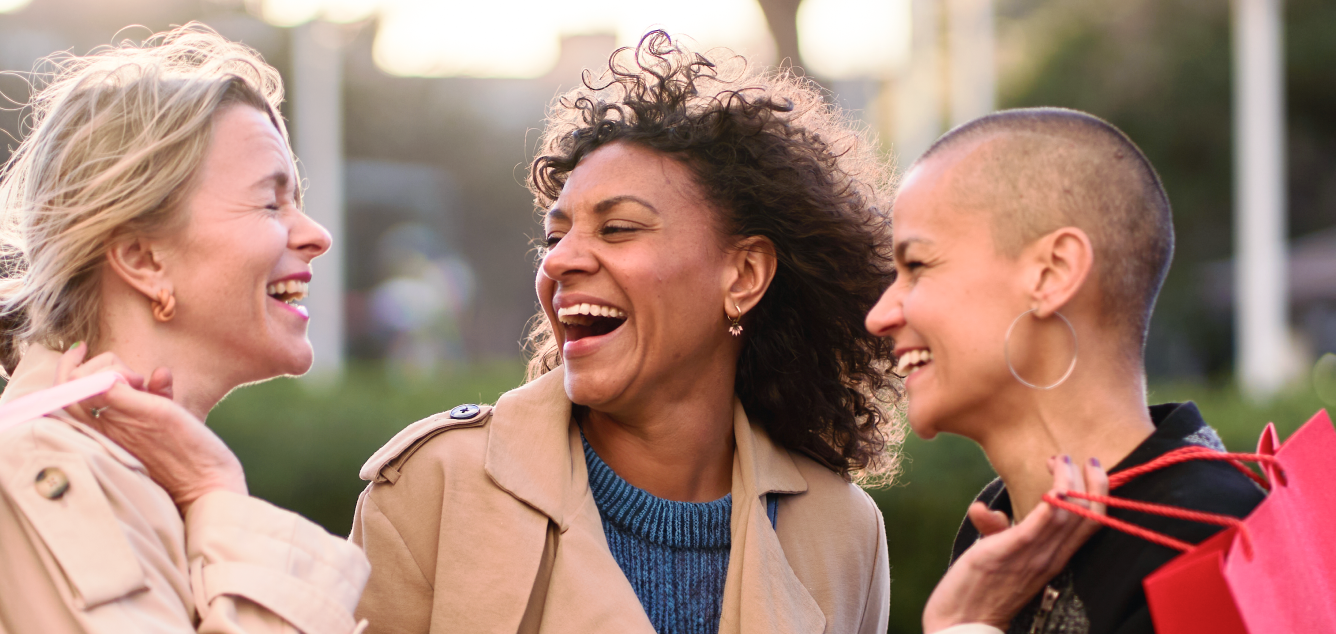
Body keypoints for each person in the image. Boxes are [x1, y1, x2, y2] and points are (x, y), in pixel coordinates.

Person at [348, 32, 1107, 634]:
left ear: (743, 275)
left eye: (617, 228)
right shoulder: (435, 488)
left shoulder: (842, 532)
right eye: (556, 237)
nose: (564, 261)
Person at [0, 24, 370, 633]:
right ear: (142, 258)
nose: (317, 234)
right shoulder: (48, 470)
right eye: (271, 202)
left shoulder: (100, 468)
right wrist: (216, 490)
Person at [864, 107, 1267, 633]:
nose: (879, 316)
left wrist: (965, 624)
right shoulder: (999, 527)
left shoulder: (1218, 544)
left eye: (916, 266)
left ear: (1052, 274)